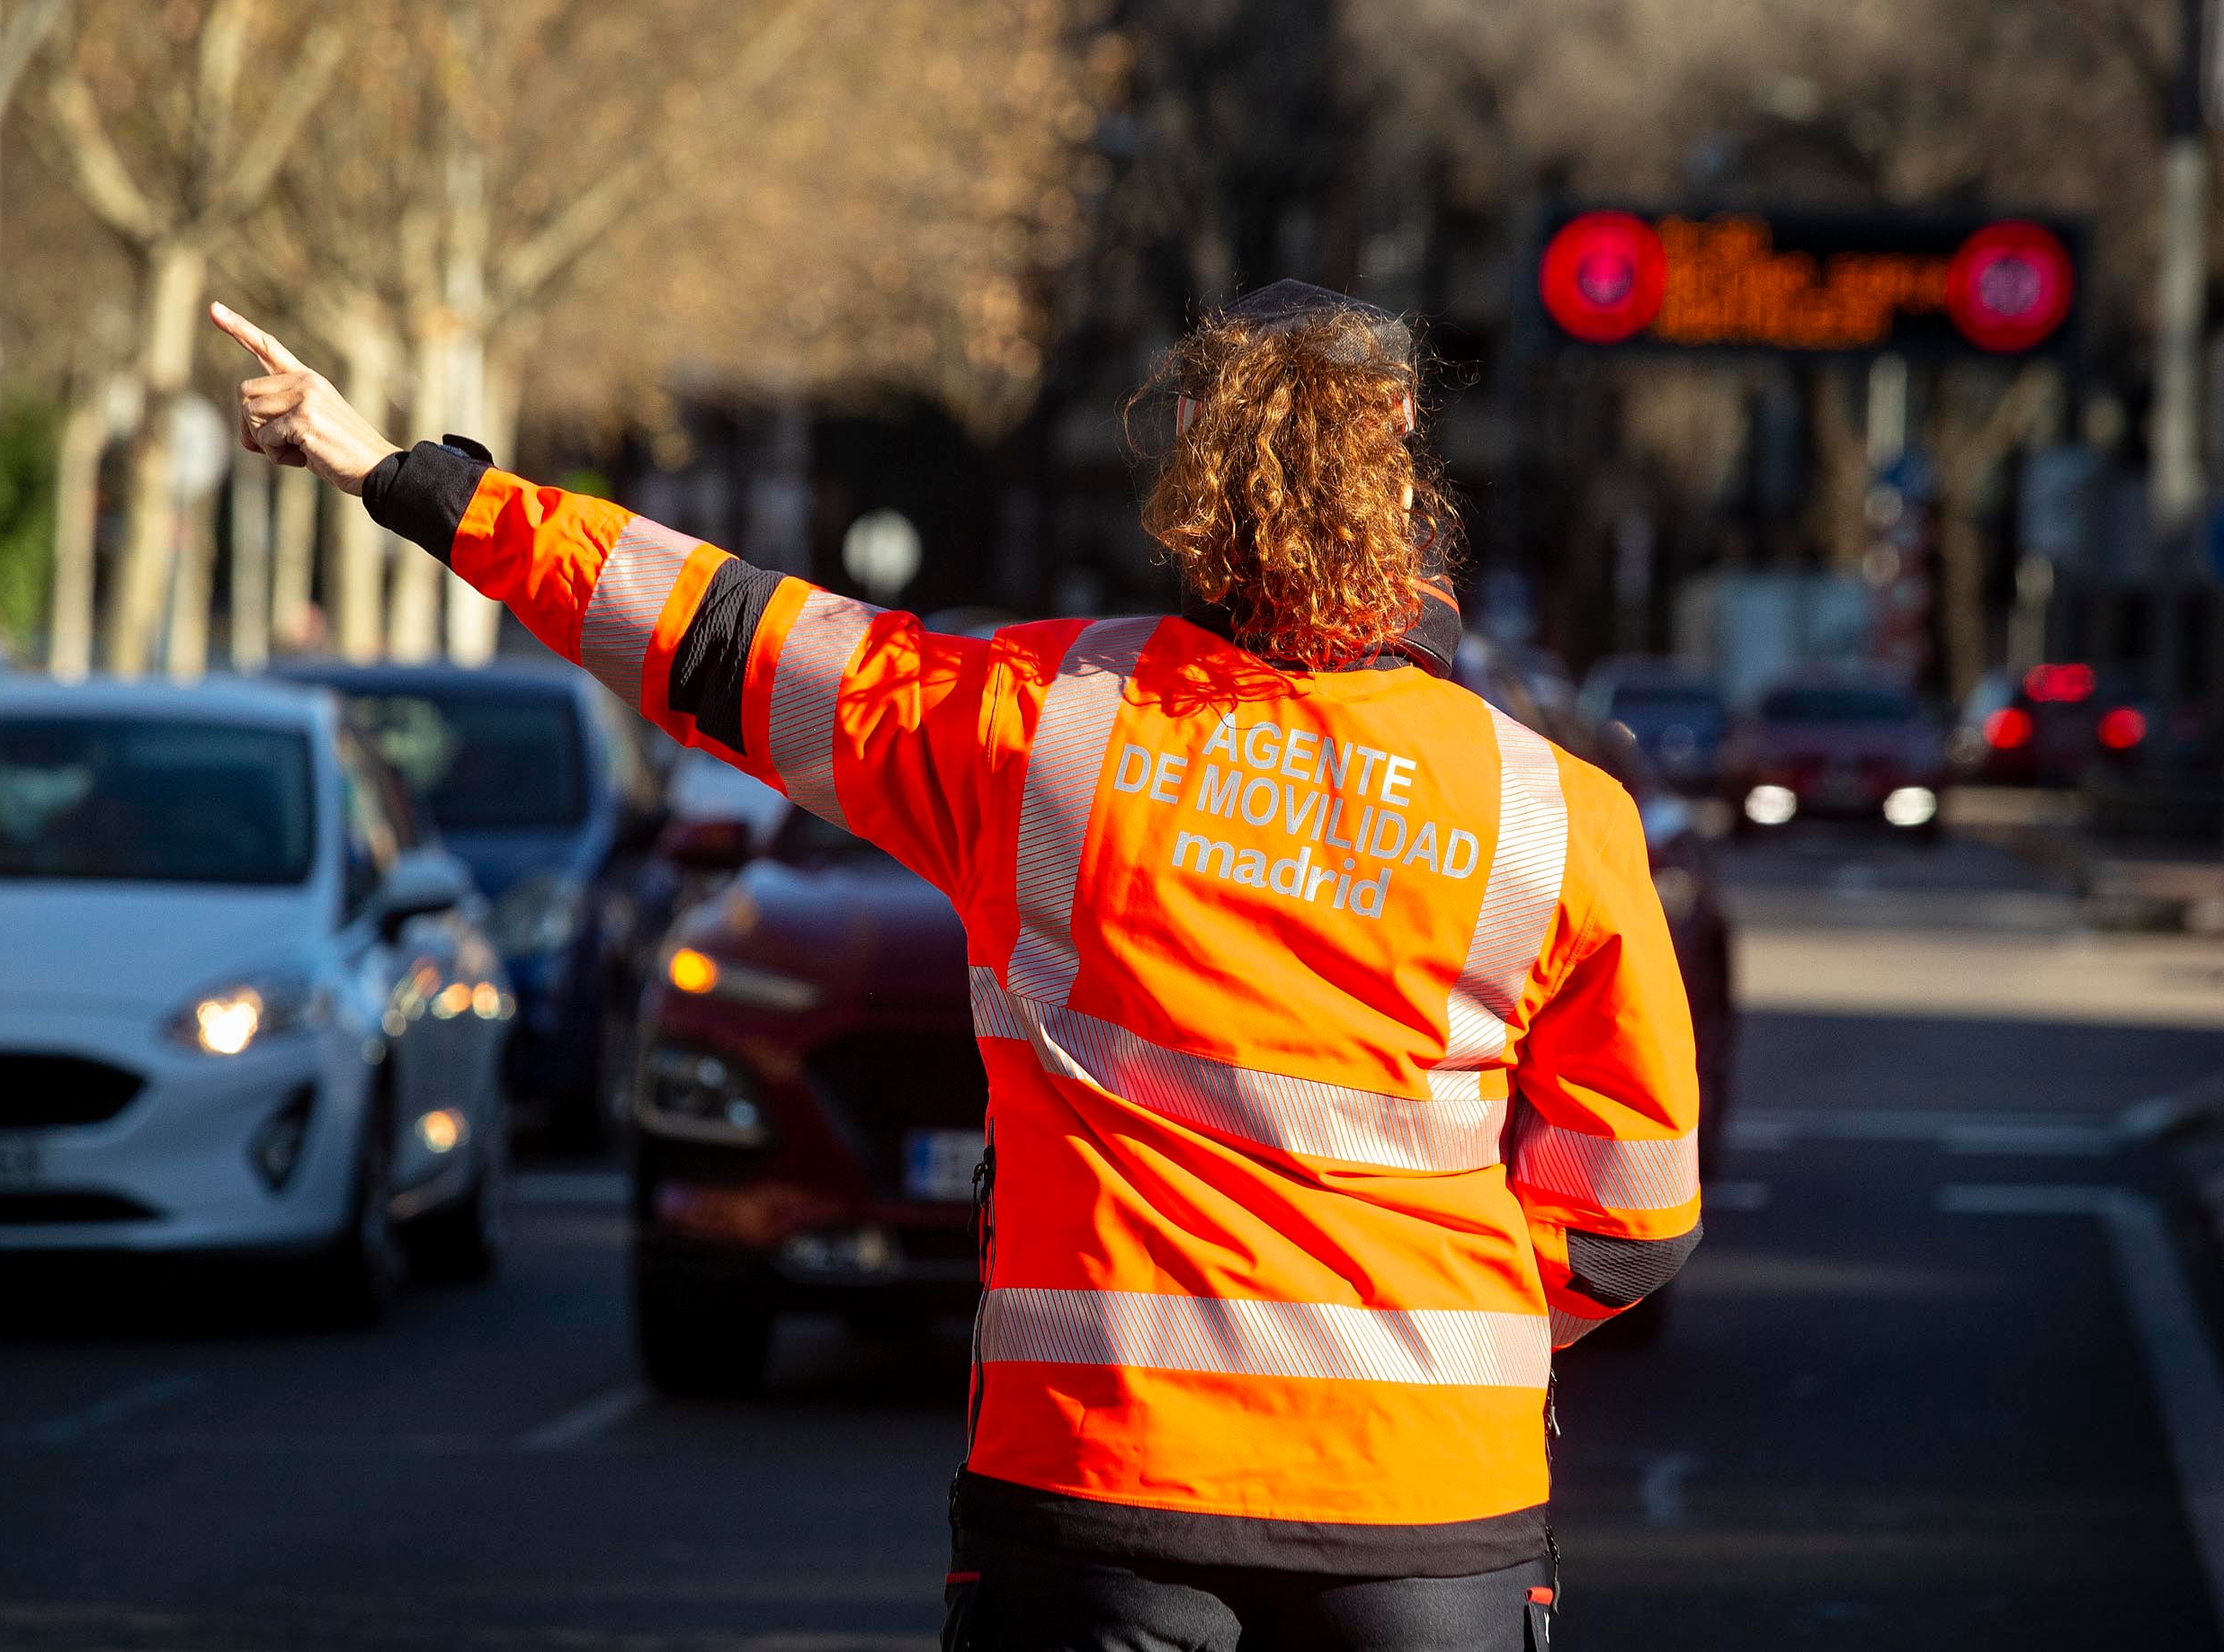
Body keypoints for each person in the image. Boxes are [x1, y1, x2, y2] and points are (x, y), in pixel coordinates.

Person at [211, 282, 1701, 1652]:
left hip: (1097, 1487)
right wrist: (1433, 1325)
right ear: (1409, 494)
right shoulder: (1554, 817)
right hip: (1431, 1518)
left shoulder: (1045, 722)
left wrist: (405, 475)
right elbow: (1633, 1214)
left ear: (1195, 491)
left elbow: (717, 635)